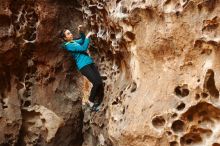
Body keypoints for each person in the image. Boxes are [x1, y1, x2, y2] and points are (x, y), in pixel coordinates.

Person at [60, 26, 104, 112]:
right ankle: (91, 102)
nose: (71, 34)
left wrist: (81, 32)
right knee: (96, 82)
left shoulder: (74, 42)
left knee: (99, 82)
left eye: (70, 32)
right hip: (83, 66)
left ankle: (97, 101)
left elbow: (82, 40)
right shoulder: (69, 46)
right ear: (65, 38)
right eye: (68, 34)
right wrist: (87, 36)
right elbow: (84, 48)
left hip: (89, 63)